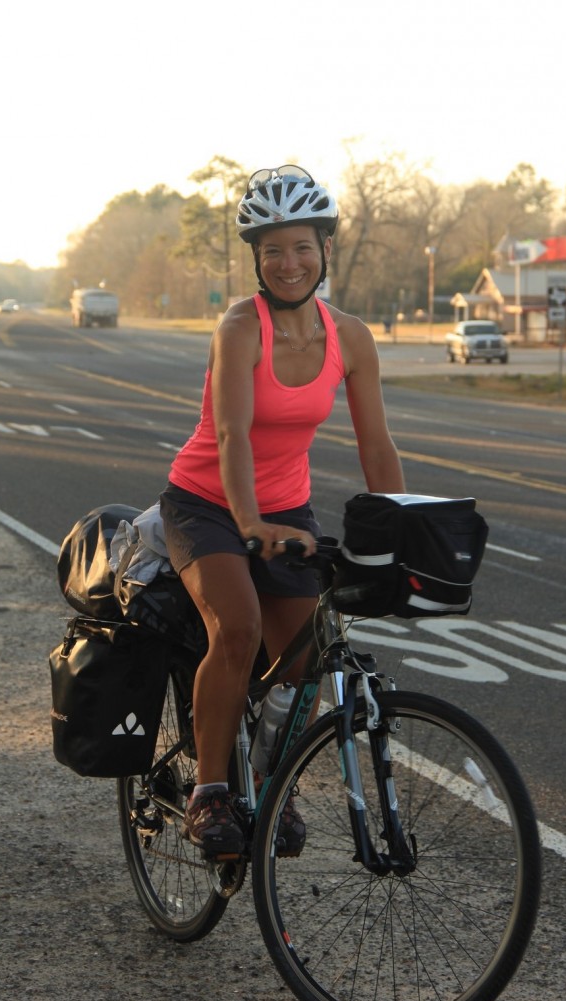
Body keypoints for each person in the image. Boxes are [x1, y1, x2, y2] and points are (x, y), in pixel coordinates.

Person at [159, 164, 405, 860]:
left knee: (305, 662)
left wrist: (402, 527)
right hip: (206, 503)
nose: (287, 263)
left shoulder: (350, 337)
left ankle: (274, 784)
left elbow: (376, 445)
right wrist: (247, 527)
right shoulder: (240, 327)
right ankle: (209, 795)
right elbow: (233, 435)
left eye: (300, 247)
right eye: (272, 251)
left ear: (324, 249)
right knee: (235, 629)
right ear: (256, 260)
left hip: (285, 508)